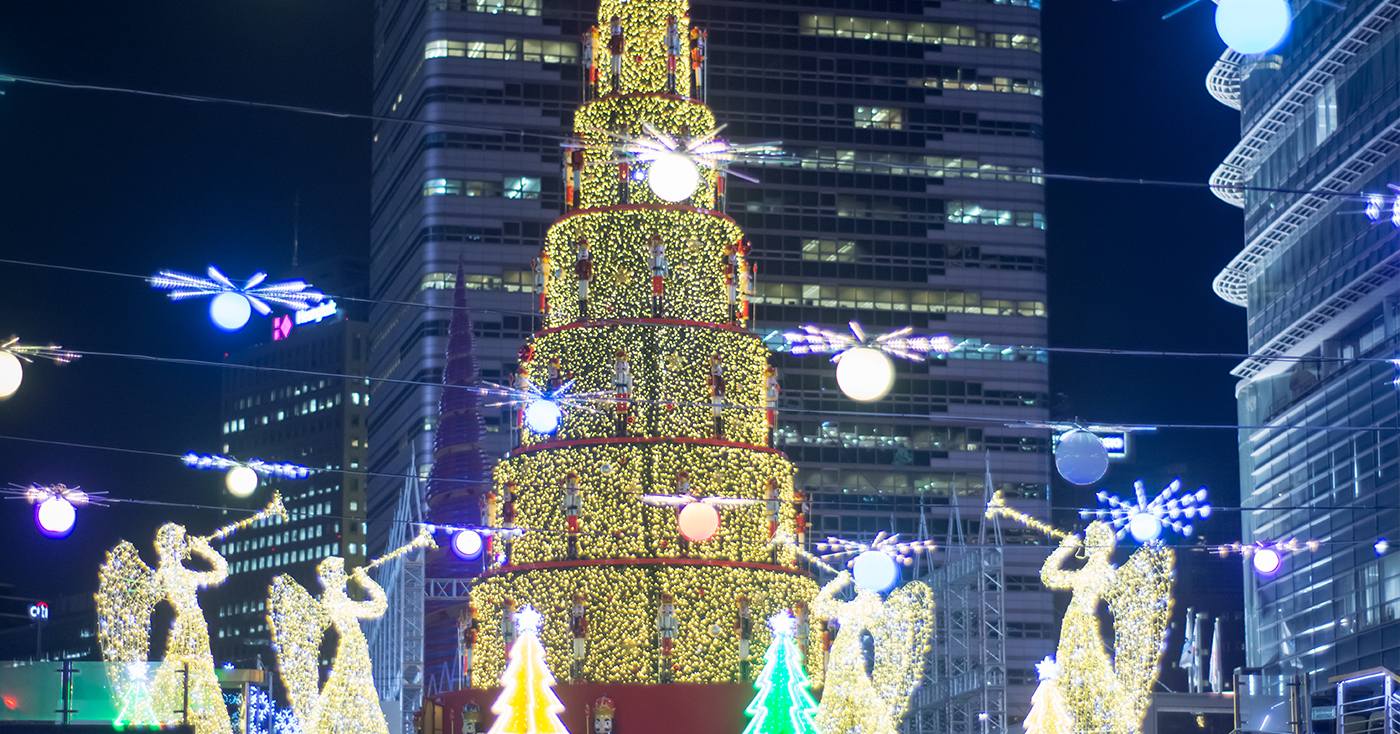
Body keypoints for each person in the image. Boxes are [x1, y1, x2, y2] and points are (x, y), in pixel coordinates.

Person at [650, 235, 668, 317]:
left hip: (660, 273)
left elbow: (665, 264)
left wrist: (665, 272)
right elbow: (649, 265)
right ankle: (654, 311)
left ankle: (660, 311)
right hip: (655, 273)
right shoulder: (653, 256)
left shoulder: (662, 257)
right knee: (655, 291)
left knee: (660, 291)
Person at [575, 238, 593, 319]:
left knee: (584, 293)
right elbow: (577, 268)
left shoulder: (587, 261)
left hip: (585, 277)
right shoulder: (579, 260)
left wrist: (590, 275)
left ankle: (584, 310)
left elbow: (589, 268)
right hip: (581, 277)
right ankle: (581, 310)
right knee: (581, 294)